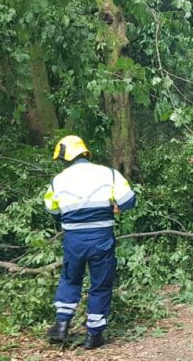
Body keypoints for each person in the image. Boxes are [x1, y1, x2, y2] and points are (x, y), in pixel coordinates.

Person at [44, 135, 136, 349]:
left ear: (65, 157)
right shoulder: (108, 174)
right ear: (85, 152)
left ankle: (61, 324)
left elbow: (52, 210)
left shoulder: (57, 180)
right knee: (101, 284)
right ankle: (94, 335)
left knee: (70, 278)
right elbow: (128, 200)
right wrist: (116, 207)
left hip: (73, 239)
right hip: (101, 237)